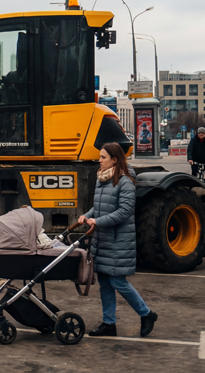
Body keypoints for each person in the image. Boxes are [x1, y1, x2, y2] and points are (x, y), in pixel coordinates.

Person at [78, 142, 158, 338]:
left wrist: (98, 221)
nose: (99, 160)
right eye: (100, 157)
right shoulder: (102, 179)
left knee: (118, 282)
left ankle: (146, 314)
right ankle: (109, 323)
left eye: (103, 157)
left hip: (118, 240)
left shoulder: (125, 181)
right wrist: (86, 215)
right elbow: (99, 206)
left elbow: (125, 211)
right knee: (105, 281)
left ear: (115, 159)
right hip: (103, 239)